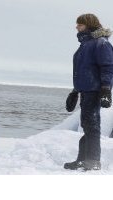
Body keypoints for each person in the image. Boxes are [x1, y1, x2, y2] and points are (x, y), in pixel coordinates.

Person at [64, 14, 113, 171]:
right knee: (87, 124)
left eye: (80, 24)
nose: (77, 27)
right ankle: (82, 159)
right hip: (86, 90)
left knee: (92, 125)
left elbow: (108, 67)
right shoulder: (86, 44)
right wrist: (74, 92)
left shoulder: (101, 43)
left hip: (95, 90)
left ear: (89, 25)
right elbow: (83, 71)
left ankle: (93, 161)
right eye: (77, 24)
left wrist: (106, 89)